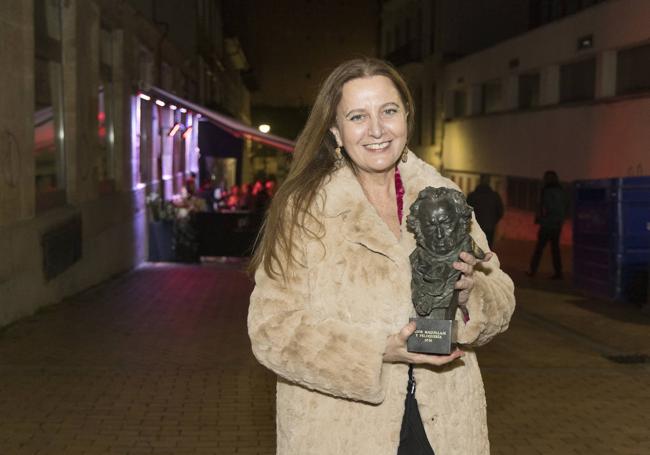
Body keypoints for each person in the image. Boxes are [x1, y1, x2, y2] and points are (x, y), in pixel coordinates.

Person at [247, 58, 515, 454]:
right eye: (358, 116)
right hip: (341, 430)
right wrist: (376, 352)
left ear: (406, 116)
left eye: (388, 111)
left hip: (443, 424)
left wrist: (471, 292)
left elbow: (502, 299)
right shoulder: (304, 210)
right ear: (336, 130)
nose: (376, 129)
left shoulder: (445, 198)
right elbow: (271, 330)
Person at [527, 170, 567, 279]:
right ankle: (558, 272)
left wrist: (541, 217)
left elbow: (546, 207)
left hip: (547, 224)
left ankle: (533, 270)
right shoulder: (560, 191)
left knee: (540, 249)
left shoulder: (547, 191)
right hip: (555, 224)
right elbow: (562, 208)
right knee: (554, 250)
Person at [467, 174, 504, 249]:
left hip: (475, 226)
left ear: (480, 181)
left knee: (474, 248)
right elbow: (500, 212)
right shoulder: (494, 196)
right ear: (489, 182)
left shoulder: (472, 196)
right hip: (489, 227)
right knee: (487, 248)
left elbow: (466, 211)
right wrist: (493, 221)